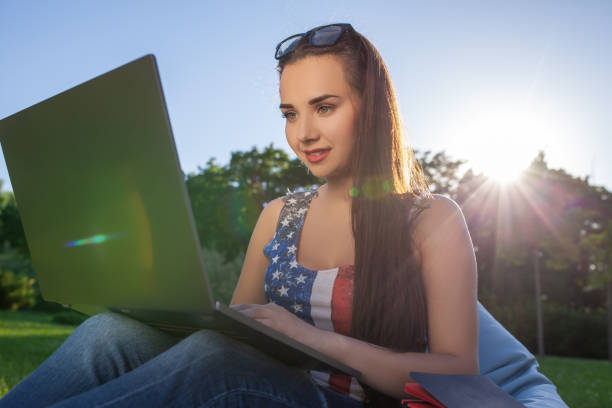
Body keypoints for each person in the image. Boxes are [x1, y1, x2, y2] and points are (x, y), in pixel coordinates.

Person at [0, 23, 566, 408]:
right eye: (289, 113)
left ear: (370, 108)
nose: (303, 133)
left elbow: (454, 370)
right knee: (109, 333)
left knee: (217, 360)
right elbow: (236, 323)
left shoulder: (430, 218)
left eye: (324, 107)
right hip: (260, 387)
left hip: (344, 400)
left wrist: (310, 340)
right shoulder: (277, 215)